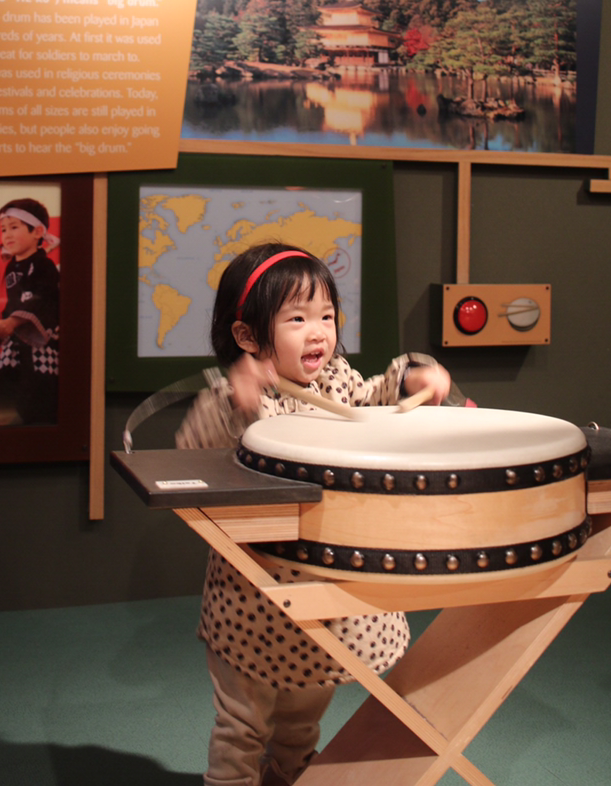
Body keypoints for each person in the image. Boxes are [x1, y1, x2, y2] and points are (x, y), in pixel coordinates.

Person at [175, 242, 469, 786]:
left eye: (327, 316)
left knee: (302, 723)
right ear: (248, 336)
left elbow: (376, 396)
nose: (318, 333)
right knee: (242, 727)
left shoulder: (336, 380)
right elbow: (194, 451)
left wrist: (415, 380)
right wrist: (235, 401)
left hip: (326, 592)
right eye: (297, 319)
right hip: (253, 603)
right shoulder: (239, 394)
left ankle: (290, 774)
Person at [0, 197, 60, 426]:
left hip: (37, 354)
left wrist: (13, 322)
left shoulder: (44, 266)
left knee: (32, 416)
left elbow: (43, 300)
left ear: (38, 232)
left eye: (14, 227)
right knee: (7, 414)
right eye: (4, 229)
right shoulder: (11, 268)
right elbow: (7, 309)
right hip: (11, 353)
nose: (7, 235)